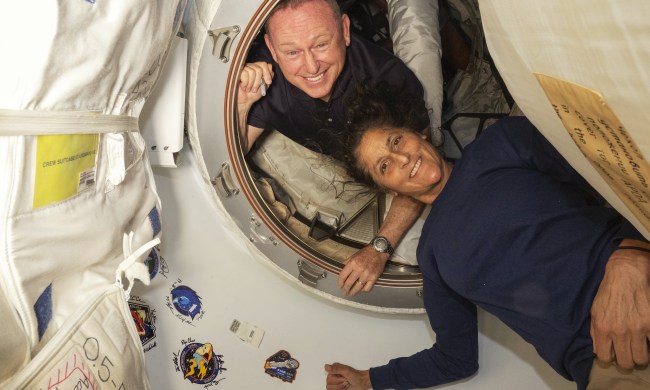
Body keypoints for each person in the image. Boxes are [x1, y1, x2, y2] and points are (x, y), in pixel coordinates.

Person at [324, 83, 650, 389]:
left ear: (417, 132)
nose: (402, 158)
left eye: (396, 141)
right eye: (384, 166)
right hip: (609, 361)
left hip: (638, 283)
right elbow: (455, 358)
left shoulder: (502, 143)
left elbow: (618, 172)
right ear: (389, 190)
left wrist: (632, 254)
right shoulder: (433, 255)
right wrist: (370, 380)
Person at [237, 0, 430, 296]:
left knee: (421, 250)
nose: (311, 66)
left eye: (321, 44)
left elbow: (421, 170)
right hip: (325, 161)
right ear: (272, 50)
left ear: (345, 30)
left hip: (387, 171)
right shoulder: (265, 77)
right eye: (292, 52)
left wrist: (380, 246)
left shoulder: (388, 80)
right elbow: (237, 151)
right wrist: (242, 102)